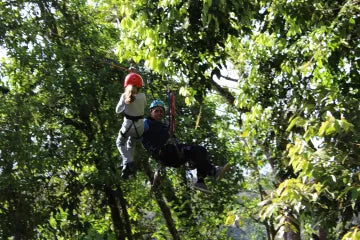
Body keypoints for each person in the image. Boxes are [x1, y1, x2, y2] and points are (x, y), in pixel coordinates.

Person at [142, 100, 228, 191]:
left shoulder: (164, 126)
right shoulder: (145, 123)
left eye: (161, 111)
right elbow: (133, 131)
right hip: (163, 153)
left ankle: (200, 181)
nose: (159, 113)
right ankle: (213, 171)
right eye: (156, 111)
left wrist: (189, 157)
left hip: (173, 153)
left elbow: (174, 140)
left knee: (201, 150)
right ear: (151, 111)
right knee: (195, 150)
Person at [116, 73, 147, 179]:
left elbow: (118, 110)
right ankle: (126, 167)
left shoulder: (124, 96)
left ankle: (129, 161)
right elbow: (144, 106)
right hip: (139, 129)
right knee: (130, 144)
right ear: (139, 86)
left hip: (127, 126)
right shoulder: (143, 96)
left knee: (119, 143)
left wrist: (124, 103)